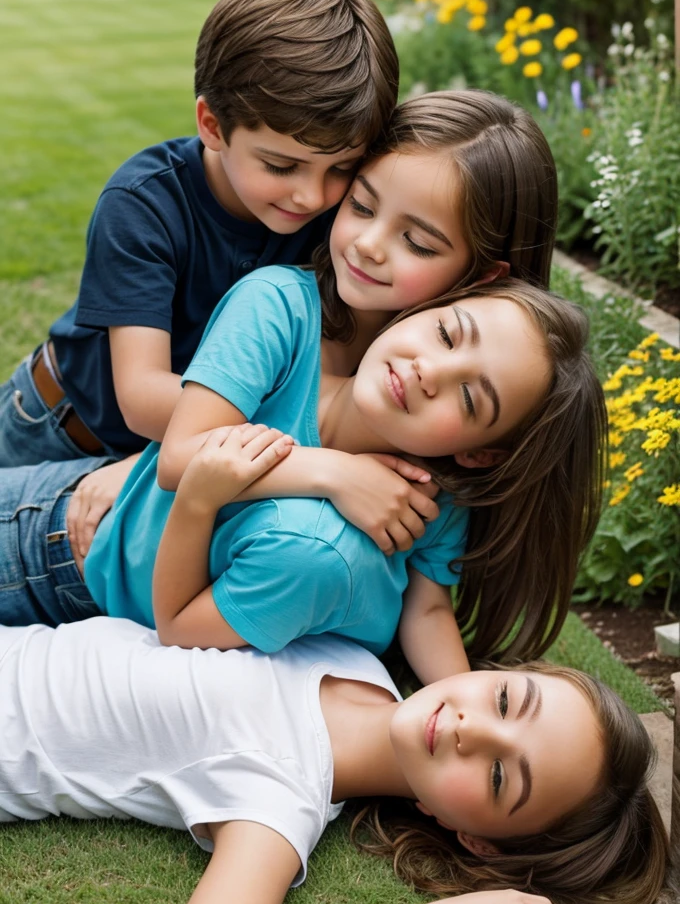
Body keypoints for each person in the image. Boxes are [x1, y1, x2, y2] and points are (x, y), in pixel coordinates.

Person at [0, 275, 603, 685]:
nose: (429, 371)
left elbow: (426, 612)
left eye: (470, 397)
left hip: (117, 598)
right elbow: (183, 464)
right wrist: (338, 475)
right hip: (66, 544)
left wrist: (458, 691)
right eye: (447, 333)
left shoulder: (433, 498)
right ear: (428, 309)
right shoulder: (287, 342)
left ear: (477, 456)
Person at [0, 616, 668, 904]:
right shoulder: (359, 654)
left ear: (473, 837)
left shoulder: (280, 789)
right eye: (503, 699)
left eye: (500, 777)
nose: (473, 728)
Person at [0, 0, 398, 467]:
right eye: (281, 165)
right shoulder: (143, 204)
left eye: (341, 167)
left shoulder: (337, 215)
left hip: (180, 447)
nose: (312, 197)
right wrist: (325, 410)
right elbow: (143, 399)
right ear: (212, 124)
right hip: (59, 425)